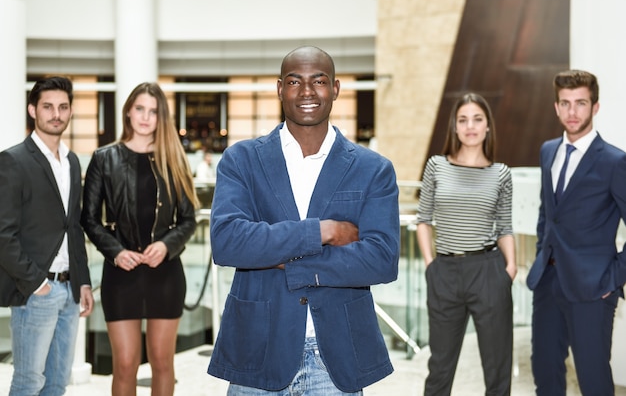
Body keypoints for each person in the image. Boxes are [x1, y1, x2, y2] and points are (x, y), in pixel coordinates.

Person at [207, 46, 400, 395]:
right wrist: (322, 231)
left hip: (336, 355)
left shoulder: (373, 169)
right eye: (295, 81)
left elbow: (381, 260)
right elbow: (228, 242)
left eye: (319, 81)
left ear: (336, 89)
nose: (307, 91)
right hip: (259, 348)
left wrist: (288, 260)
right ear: (280, 89)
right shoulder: (241, 160)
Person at [81, 82, 198, 396]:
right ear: (128, 112)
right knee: (125, 364)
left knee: (162, 363)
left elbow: (189, 220)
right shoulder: (104, 158)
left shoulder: (174, 159)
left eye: (154, 111)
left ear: (162, 118)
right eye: (140, 109)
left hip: (165, 273)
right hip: (121, 274)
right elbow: (89, 219)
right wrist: (116, 251)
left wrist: (166, 245)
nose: (146, 117)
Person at [526, 70, 626, 395]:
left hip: (593, 290)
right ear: (556, 107)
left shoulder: (614, 162)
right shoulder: (547, 151)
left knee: (593, 380)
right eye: (565, 103)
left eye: (580, 103)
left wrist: (612, 278)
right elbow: (548, 214)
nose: (572, 112)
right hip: (548, 283)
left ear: (595, 107)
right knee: (545, 375)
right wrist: (543, 251)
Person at [416, 92, 516, 395]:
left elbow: (505, 226)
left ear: (487, 126)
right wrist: (431, 265)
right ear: (455, 127)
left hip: (488, 271)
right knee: (440, 367)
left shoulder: (501, 173)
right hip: (444, 270)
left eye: (477, 119)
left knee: (497, 366)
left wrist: (509, 269)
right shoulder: (436, 166)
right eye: (463, 120)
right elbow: (424, 220)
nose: (470, 126)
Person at [0, 76, 94, 395]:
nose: (56, 114)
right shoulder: (13, 160)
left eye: (63, 107)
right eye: (48, 107)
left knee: (56, 383)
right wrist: (36, 282)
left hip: (69, 290)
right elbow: (3, 235)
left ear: (70, 112)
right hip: (36, 290)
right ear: (33, 110)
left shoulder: (71, 162)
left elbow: (74, 226)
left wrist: (83, 281)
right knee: (28, 381)